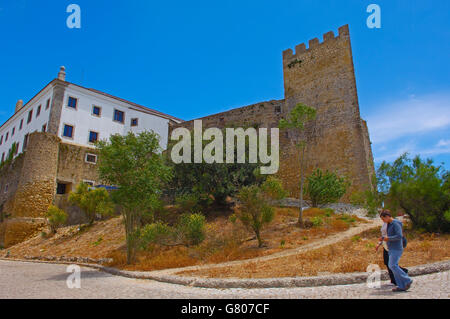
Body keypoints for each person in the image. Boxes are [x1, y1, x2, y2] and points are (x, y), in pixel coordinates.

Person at [378, 211, 413, 292]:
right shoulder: (390, 224)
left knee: (392, 265)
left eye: (383, 219)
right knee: (392, 266)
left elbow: (399, 236)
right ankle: (401, 285)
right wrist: (383, 239)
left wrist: (388, 239)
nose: (383, 221)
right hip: (391, 248)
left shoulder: (395, 223)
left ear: (387, 216)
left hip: (396, 248)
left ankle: (407, 280)